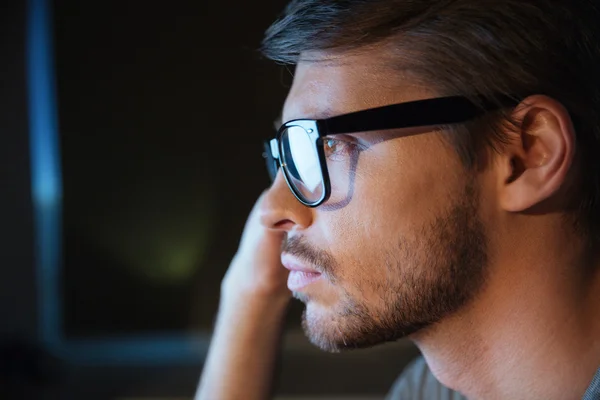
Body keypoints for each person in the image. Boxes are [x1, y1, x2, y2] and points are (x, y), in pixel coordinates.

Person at [196, 1, 600, 399]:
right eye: (289, 155)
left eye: (329, 145)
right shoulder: (425, 391)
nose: (271, 209)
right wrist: (247, 295)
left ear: (527, 154)